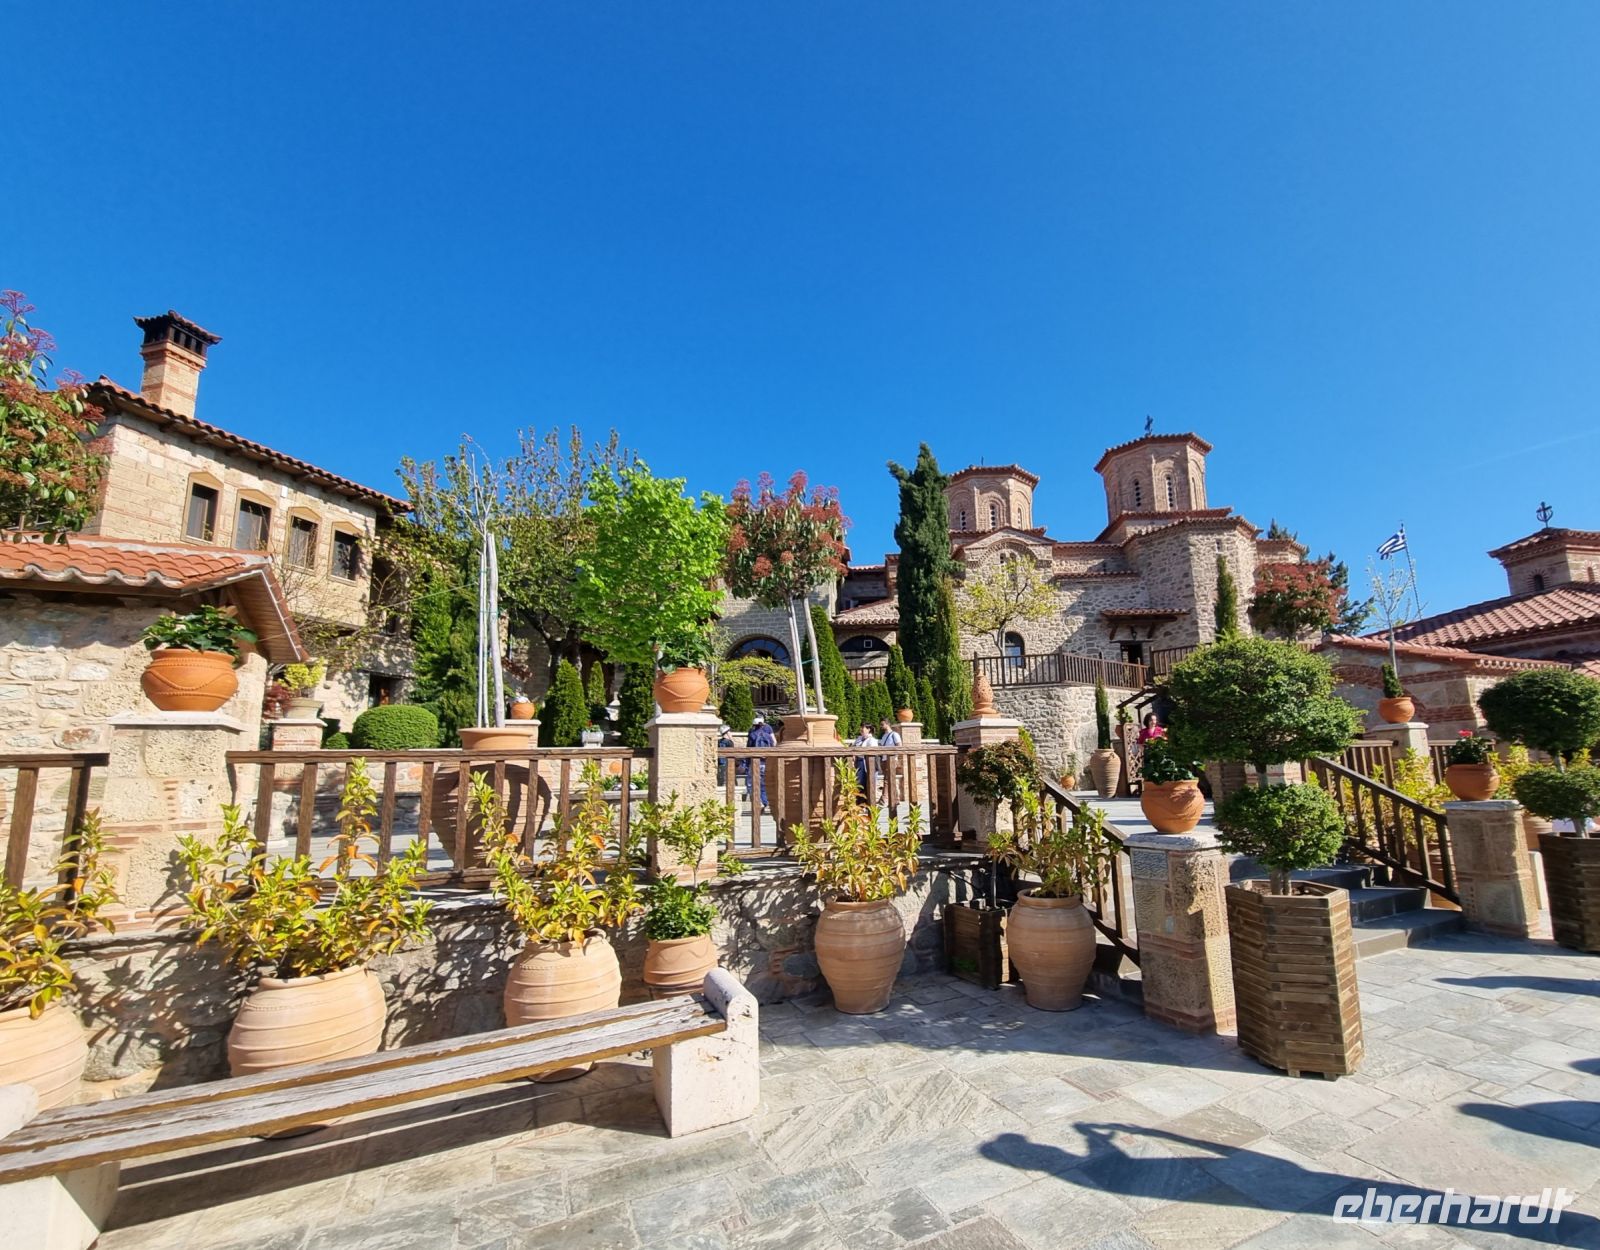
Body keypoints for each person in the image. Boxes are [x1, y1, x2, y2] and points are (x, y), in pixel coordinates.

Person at [747, 713, 776, 811]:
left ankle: (758, 801)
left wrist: (746, 763)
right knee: (764, 783)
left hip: (755, 761)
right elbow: (774, 743)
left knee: (752, 783)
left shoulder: (752, 733)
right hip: (766, 761)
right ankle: (766, 802)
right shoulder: (768, 733)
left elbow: (749, 748)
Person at [852, 721, 879, 800]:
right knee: (859, 783)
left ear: (868, 729)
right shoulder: (859, 738)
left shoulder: (872, 740)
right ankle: (860, 804)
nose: (861, 729)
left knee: (868, 783)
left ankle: (868, 803)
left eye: (863, 727)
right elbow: (853, 747)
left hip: (867, 763)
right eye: (861, 727)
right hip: (859, 763)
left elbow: (873, 753)